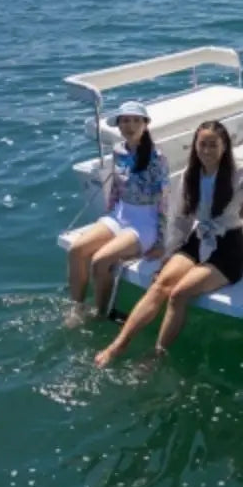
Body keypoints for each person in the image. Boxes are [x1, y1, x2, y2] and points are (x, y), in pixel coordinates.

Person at [93, 120, 243, 367]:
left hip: (229, 248)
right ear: (194, 146)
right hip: (199, 239)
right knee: (160, 283)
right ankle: (118, 345)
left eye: (213, 145)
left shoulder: (242, 171)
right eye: (202, 144)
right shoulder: (189, 175)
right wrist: (169, 251)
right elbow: (182, 220)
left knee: (179, 294)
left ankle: (157, 354)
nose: (206, 150)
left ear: (225, 146)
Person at [64, 101, 169, 328]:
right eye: (124, 121)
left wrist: (161, 241)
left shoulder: (156, 158)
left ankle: (100, 314)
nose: (129, 125)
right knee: (76, 250)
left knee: (100, 260)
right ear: (118, 125)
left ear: (145, 124)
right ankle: (78, 307)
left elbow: (163, 200)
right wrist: (107, 217)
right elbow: (115, 187)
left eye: (135, 120)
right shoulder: (119, 151)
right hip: (119, 215)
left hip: (144, 223)